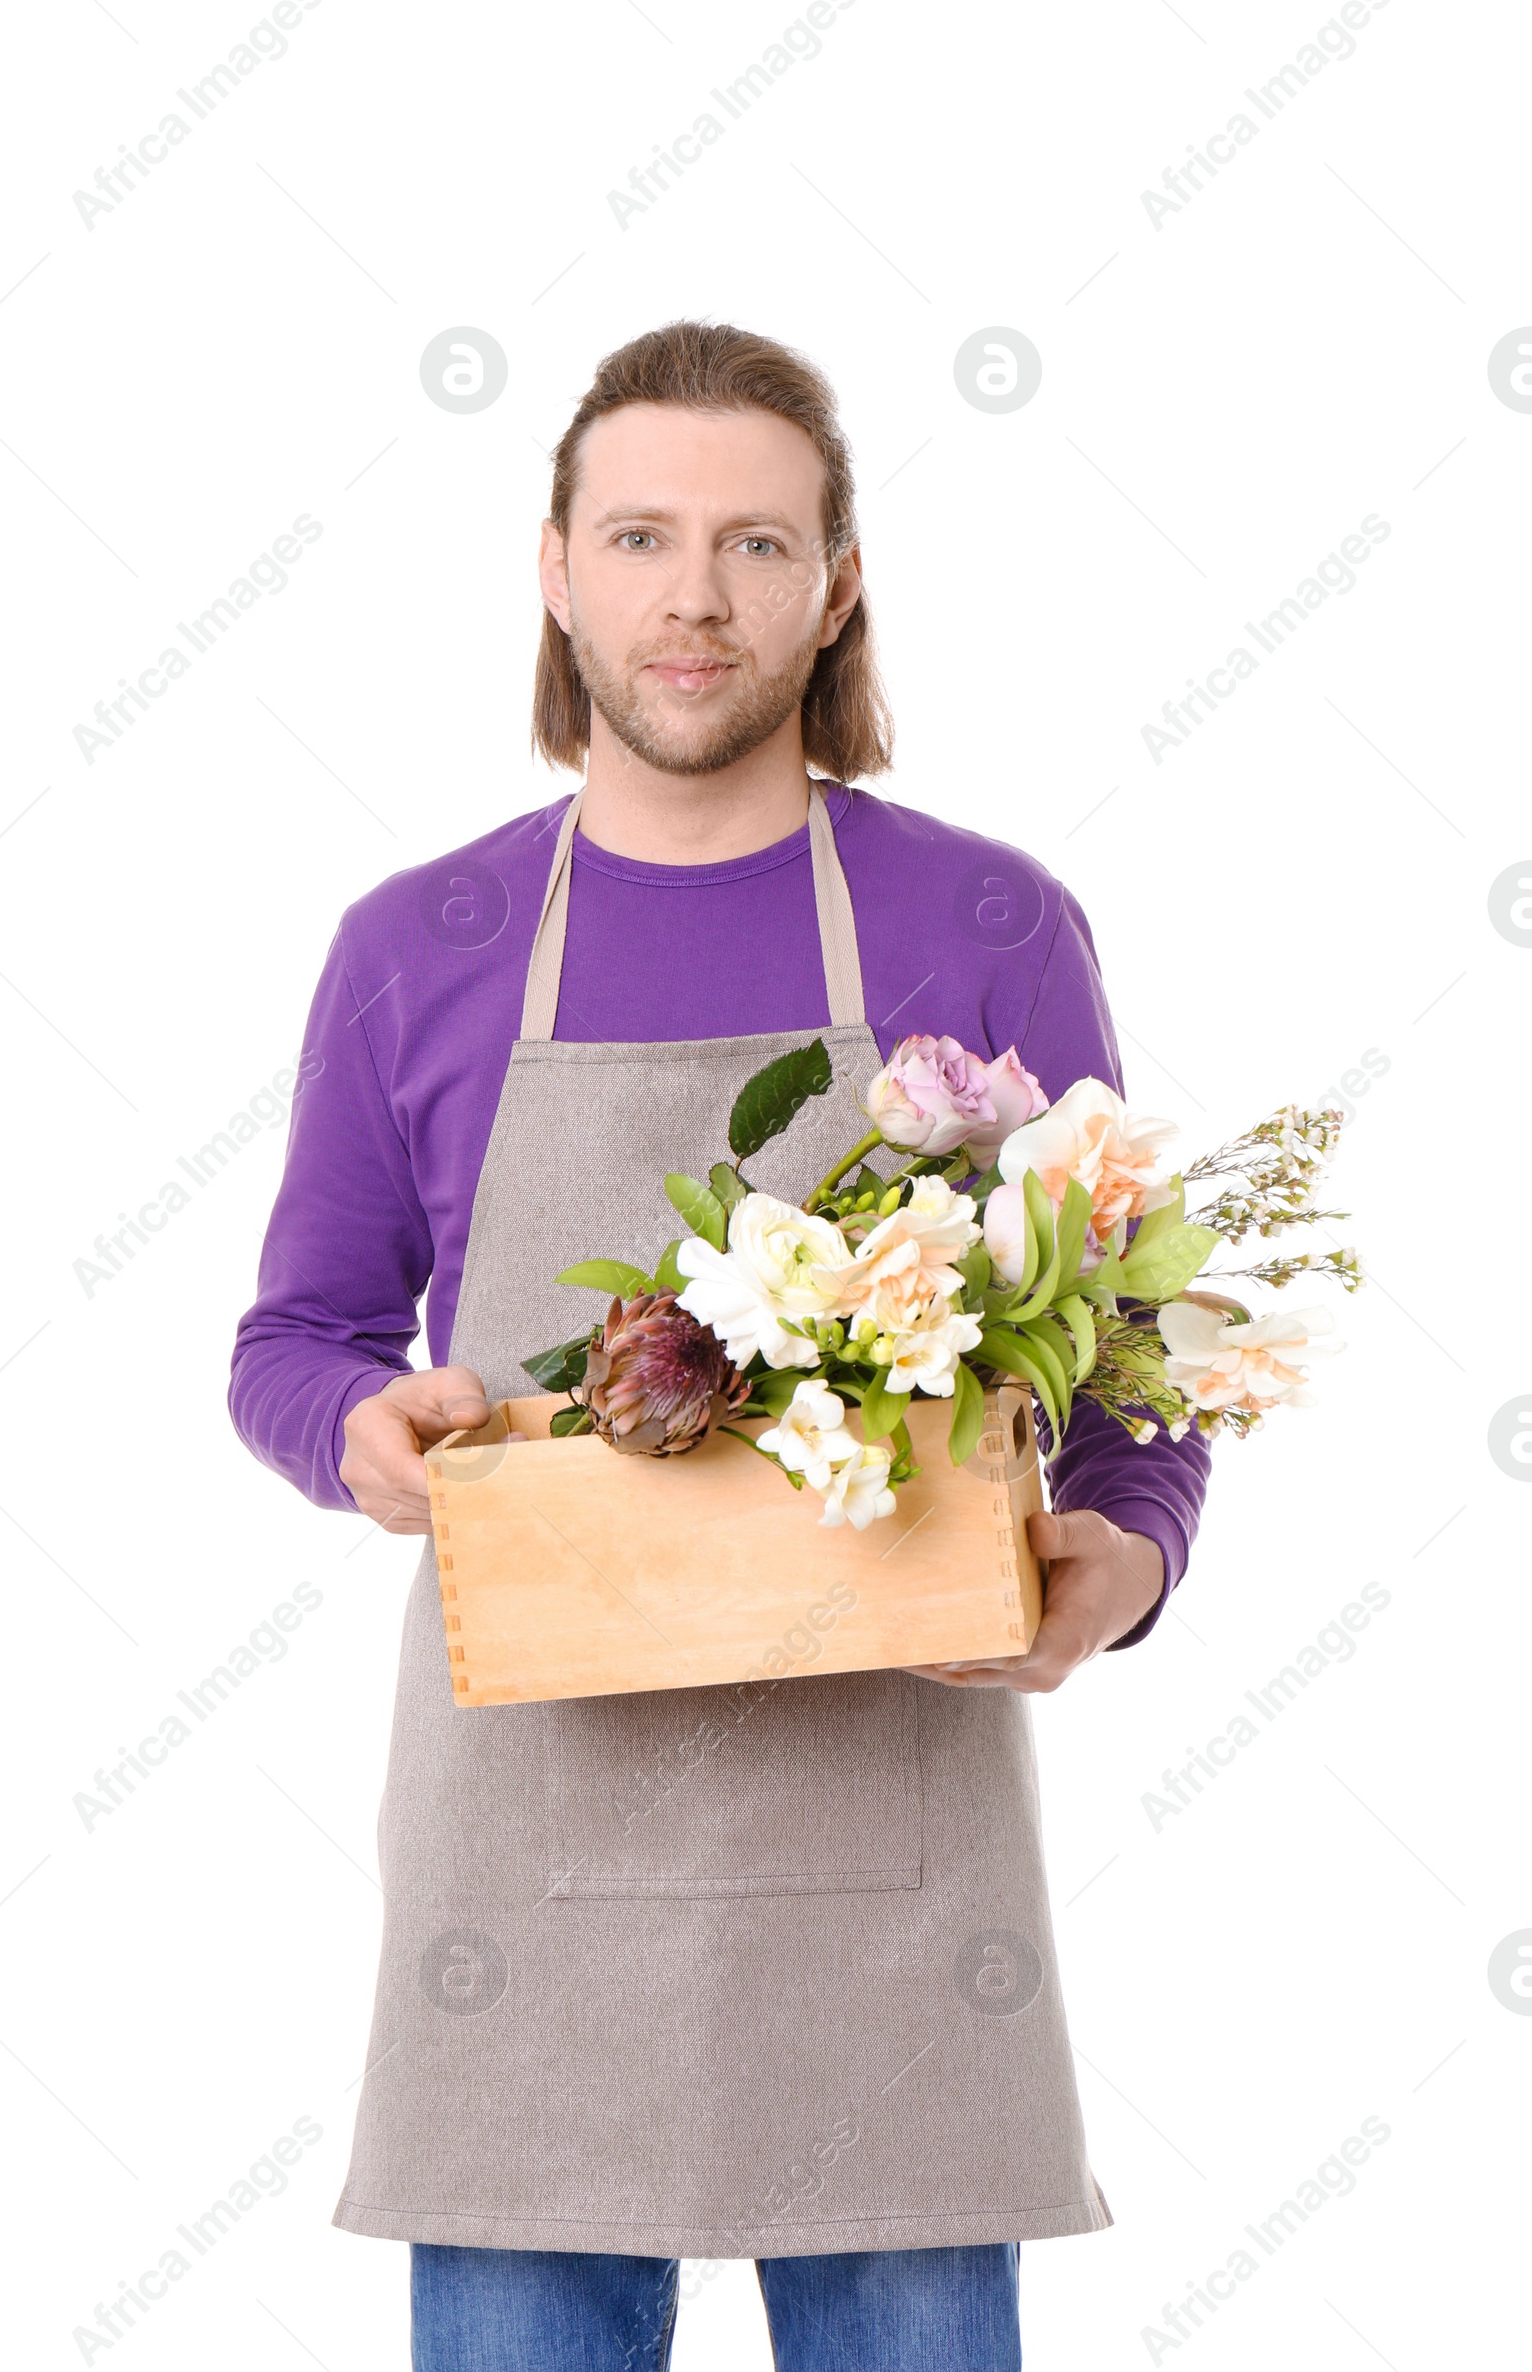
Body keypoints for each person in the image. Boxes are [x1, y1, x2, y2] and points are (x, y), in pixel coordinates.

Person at [230, 319, 1209, 2371]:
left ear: (833, 584)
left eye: (755, 544)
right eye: (642, 536)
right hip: (526, 1831)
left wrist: (1115, 1564)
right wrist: (361, 1429)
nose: (693, 596)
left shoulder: (984, 922)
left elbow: (1124, 1348)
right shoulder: (418, 947)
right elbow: (296, 1335)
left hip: (892, 1841)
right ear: (554, 569)